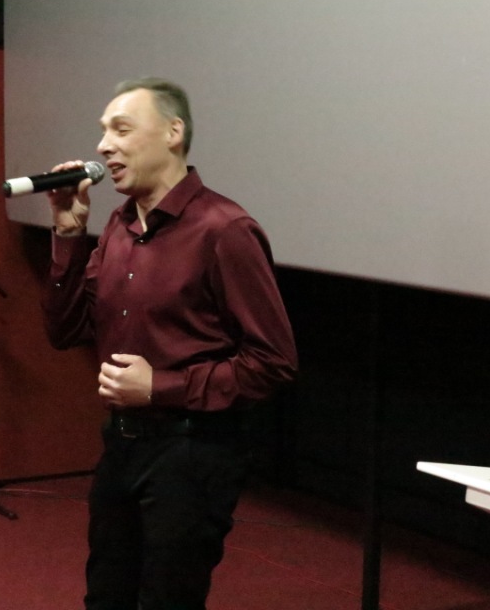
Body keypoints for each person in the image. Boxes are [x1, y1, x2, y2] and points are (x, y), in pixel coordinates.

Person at [41, 77, 298, 610]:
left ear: (173, 132)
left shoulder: (224, 230)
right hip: (121, 445)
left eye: (121, 129)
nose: (103, 146)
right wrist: (68, 235)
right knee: (106, 597)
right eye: (103, 132)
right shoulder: (117, 226)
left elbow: (272, 362)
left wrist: (160, 387)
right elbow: (64, 332)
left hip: (193, 453)